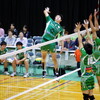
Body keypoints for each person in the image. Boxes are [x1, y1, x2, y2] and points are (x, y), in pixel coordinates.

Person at [41, 7, 64, 78]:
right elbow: (45, 12)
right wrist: (46, 10)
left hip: (52, 43)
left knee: (54, 59)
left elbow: (62, 39)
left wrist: (62, 47)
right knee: (43, 58)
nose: (57, 17)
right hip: (44, 41)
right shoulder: (49, 20)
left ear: (60, 20)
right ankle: (44, 71)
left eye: (59, 17)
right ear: (55, 18)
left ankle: (56, 73)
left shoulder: (61, 29)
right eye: (57, 16)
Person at [76, 21, 95, 100]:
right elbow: (90, 40)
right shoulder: (92, 52)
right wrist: (87, 28)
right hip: (91, 77)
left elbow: (80, 41)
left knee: (86, 97)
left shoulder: (84, 54)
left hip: (85, 77)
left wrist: (78, 30)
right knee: (91, 96)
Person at [89, 9, 100, 90]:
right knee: (98, 80)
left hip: (97, 61)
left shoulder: (97, 40)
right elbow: (95, 28)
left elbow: (94, 29)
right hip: (96, 62)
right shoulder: (97, 40)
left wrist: (91, 19)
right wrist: (94, 17)